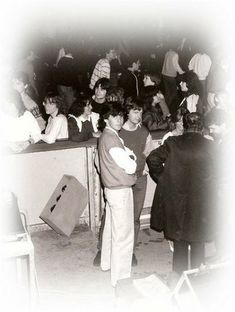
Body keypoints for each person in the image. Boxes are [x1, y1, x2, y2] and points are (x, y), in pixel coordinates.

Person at [147, 112, 218, 277]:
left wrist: (164, 178)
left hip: (177, 201)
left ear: (184, 126)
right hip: (201, 201)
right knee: (198, 241)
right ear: (202, 127)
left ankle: (179, 283)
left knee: (179, 242)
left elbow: (152, 159)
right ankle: (197, 281)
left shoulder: (173, 143)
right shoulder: (211, 146)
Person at [93, 99, 153, 267]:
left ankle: (130, 252)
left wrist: (146, 168)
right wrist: (108, 175)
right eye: (135, 111)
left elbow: (148, 153)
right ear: (127, 113)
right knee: (111, 217)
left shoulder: (144, 132)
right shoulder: (116, 132)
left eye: (141, 112)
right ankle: (102, 250)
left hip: (139, 179)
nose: (139, 115)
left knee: (134, 217)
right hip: (120, 182)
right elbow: (100, 159)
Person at [97, 102, 137, 287]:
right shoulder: (112, 139)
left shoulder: (106, 136)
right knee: (123, 235)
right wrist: (132, 159)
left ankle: (106, 264)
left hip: (111, 190)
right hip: (120, 190)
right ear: (106, 118)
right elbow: (130, 166)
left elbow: (98, 163)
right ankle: (120, 277)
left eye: (121, 115)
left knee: (111, 231)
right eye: (115, 116)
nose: (120, 119)